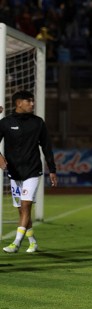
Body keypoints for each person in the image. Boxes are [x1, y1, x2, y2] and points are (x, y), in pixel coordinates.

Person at [1, 90, 58, 254]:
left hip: (33, 171)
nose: (32, 104)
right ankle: (32, 242)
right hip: (14, 172)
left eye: (33, 101)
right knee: (21, 209)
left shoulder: (38, 122)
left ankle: (16, 243)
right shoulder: (5, 122)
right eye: (29, 101)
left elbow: (46, 147)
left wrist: (52, 170)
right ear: (18, 103)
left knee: (26, 205)